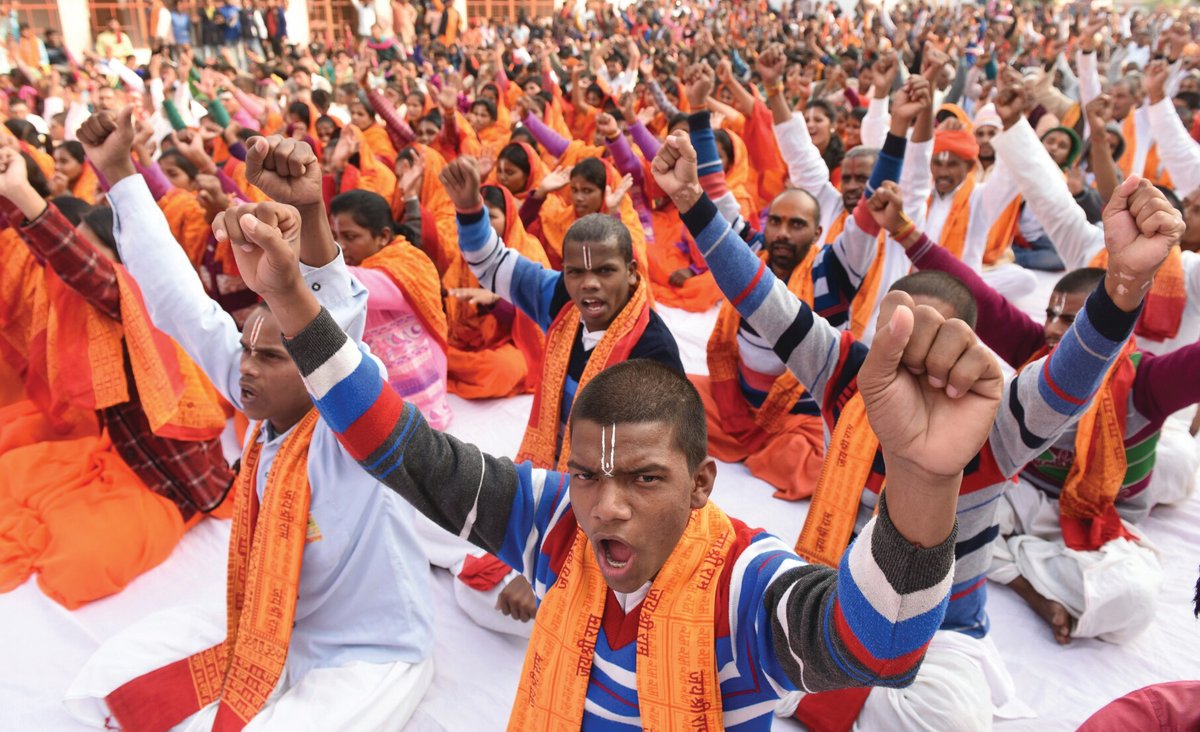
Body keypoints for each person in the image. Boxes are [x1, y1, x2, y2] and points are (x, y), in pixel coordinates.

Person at [222, 144, 1012, 729]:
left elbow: (877, 650)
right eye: (589, 477)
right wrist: (292, 297)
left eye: (644, 479)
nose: (606, 509)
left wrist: (923, 478)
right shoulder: (555, 516)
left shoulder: (742, 583)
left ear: (702, 484)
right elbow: (406, 453)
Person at [651, 127, 1184, 728]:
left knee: (950, 718)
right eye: (894, 338)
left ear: (973, 349)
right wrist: (694, 202)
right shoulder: (847, 373)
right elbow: (760, 296)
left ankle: (794, 685)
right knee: (696, 617)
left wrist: (1123, 286)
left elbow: (1070, 376)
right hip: (838, 598)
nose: (910, 361)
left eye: (936, 344)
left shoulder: (996, 418)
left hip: (943, 631)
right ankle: (806, 676)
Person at [63, 109, 436, 731]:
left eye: (270, 357)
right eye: (246, 352)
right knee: (110, 679)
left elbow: (337, 326)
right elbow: (179, 302)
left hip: (371, 648)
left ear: (317, 362)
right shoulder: (259, 398)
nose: (247, 371)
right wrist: (120, 174)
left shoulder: (354, 422)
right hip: (276, 615)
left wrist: (313, 214)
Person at [884, 173, 1198, 645]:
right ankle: (1026, 580)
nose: (1053, 330)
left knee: (1135, 598)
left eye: (1070, 321)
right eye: (1049, 315)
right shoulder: (1035, 346)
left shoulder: (1146, 381)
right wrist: (906, 231)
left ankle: (1007, 559)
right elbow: (977, 295)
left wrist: (1127, 278)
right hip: (1021, 494)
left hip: (1099, 515)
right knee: (934, 511)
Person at [0, 144, 234, 609]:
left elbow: (78, 266)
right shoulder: (101, 304)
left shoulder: (129, 297)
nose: (81, 255)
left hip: (169, 487)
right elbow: (59, 261)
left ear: (120, 260)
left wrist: (23, 195)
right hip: (121, 455)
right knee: (14, 473)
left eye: (93, 247)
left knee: (78, 564)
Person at [441, 155, 683, 471]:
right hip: (554, 462)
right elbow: (492, 263)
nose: (589, 285)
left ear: (633, 273)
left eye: (606, 271)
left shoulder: (652, 348)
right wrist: (470, 209)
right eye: (575, 272)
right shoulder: (560, 297)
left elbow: (664, 449)